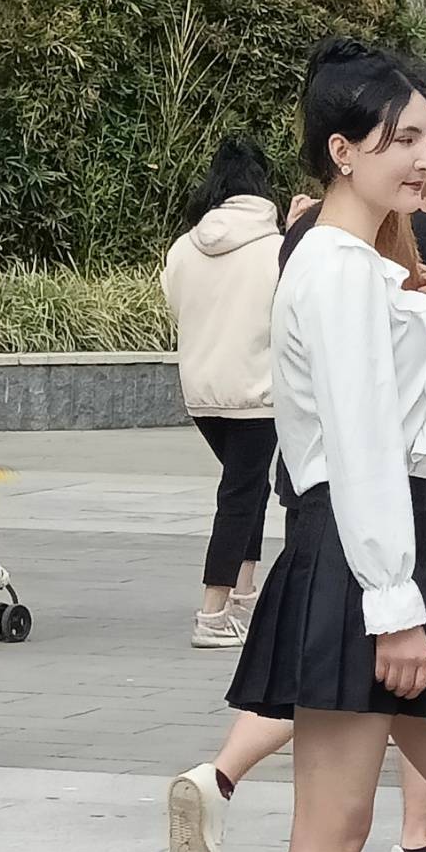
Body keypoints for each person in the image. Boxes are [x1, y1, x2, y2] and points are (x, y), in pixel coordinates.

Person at [167, 63, 426, 852]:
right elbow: (362, 445)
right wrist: (394, 603)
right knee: (335, 836)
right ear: (342, 150)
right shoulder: (336, 267)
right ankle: (406, 850)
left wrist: (425, 313)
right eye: (400, 139)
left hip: (388, 548)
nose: (423, 158)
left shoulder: (360, 262)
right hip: (365, 553)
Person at [163, 138, 283, 650]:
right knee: (240, 494)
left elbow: (176, 306)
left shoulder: (183, 247)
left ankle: (243, 595)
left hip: (203, 393)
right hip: (258, 390)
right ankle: (213, 612)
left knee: (247, 488)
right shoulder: (278, 248)